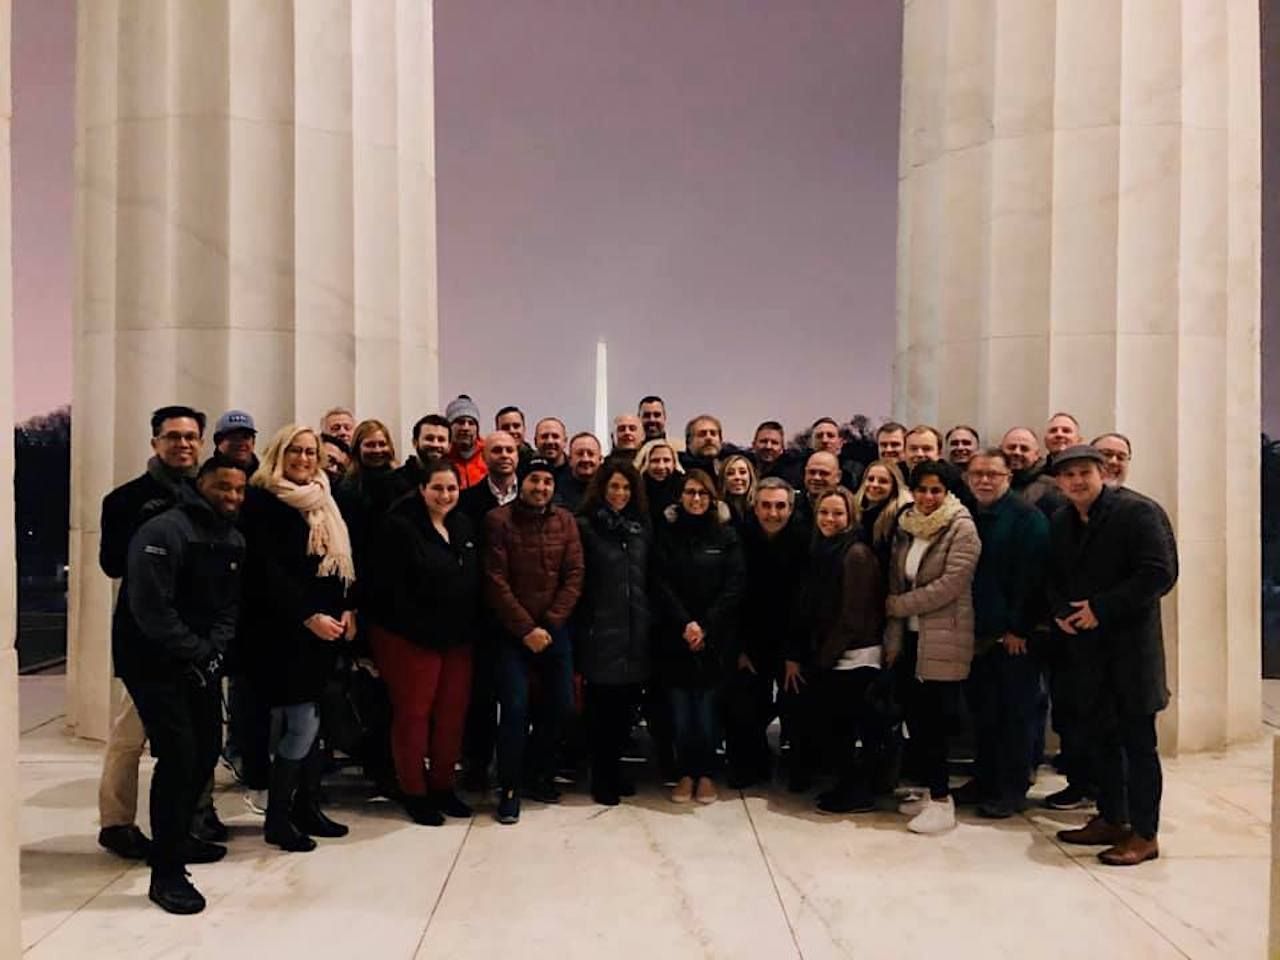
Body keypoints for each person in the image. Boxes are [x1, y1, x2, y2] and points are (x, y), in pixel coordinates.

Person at [123, 455, 246, 914]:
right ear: (202, 485)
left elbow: (229, 606)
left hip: (200, 663)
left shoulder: (233, 536)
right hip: (154, 663)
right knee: (177, 759)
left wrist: (213, 651)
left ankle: (180, 839)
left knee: (203, 755)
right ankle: (167, 873)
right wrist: (196, 650)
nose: (232, 497)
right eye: (223, 488)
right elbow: (150, 608)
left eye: (239, 490)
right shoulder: (164, 530)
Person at [1047, 445, 1178, 866]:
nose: (1076, 482)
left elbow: (1159, 573)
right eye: (1068, 476)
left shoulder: (1138, 512)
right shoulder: (1062, 519)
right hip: (1087, 654)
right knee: (1100, 740)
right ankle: (1111, 817)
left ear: (1103, 472)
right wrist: (1060, 612)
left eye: (1084, 472)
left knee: (1139, 746)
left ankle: (1144, 833)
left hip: (1130, 652)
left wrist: (1100, 609)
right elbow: (1051, 574)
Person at [97, 405, 206, 863]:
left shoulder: (210, 492)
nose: (183, 444)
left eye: (190, 436)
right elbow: (111, 564)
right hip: (145, 635)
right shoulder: (125, 499)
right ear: (155, 442)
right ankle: (116, 823)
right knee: (130, 734)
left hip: (195, 634)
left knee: (194, 740)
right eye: (173, 436)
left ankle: (186, 823)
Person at [239, 425, 356, 853]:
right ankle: (279, 817)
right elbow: (267, 573)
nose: (305, 459)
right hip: (283, 632)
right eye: (296, 451)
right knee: (300, 722)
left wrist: (347, 607)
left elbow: (338, 562)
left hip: (324, 631)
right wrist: (308, 617)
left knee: (314, 722)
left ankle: (306, 809)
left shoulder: (324, 498)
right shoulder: (263, 501)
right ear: (279, 453)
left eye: (311, 452)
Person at [365, 458, 480, 825]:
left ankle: (443, 786)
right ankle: (414, 791)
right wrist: (423, 627)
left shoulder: (463, 525)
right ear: (421, 490)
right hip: (410, 638)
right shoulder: (398, 528)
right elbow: (387, 590)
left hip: (458, 639)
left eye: (452, 489)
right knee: (414, 716)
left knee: (451, 715)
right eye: (438, 488)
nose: (445, 495)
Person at [484, 458, 585, 824]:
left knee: (561, 706)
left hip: (554, 631)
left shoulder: (566, 521)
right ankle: (509, 788)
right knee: (514, 710)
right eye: (533, 480)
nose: (540, 487)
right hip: (512, 634)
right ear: (520, 482)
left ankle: (537, 773)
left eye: (546, 481)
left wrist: (551, 624)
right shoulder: (498, 521)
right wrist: (526, 629)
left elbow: (574, 575)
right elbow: (495, 580)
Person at [885, 459, 981, 834]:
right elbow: (897, 578)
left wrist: (897, 606)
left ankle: (943, 802)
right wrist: (895, 623)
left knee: (937, 723)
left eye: (935, 490)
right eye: (922, 489)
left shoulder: (962, 527)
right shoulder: (906, 523)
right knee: (917, 721)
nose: (927, 497)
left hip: (943, 637)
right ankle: (928, 792)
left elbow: (950, 585)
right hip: (910, 637)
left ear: (947, 492)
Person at [784, 486, 885, 812]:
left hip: (853, 655)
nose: (829, 518)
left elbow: (852, 617)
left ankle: (857, 793)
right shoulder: (823, 549)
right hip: (832, 652)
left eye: (837, 513)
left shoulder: (855, 553)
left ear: (851, 516)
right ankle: (844, 787)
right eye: (824, 512)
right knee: (836, 728)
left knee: (848, 728)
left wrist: (822, 660)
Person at [961, 448, 1049, 818]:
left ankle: (1012, 788)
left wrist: (1019, 628)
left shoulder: (1027, 518)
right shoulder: (971, 515)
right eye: (978, 473)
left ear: (1008, 478)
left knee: (1016, 714)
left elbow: (1034, 578)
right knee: (985, 712)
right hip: (979, 636)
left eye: (992, 474)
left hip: (1013, 637)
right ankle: (985, 778)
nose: (984, 480)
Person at [653, 469, 745, 805]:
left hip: (714, 639)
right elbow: (660, 582)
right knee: (680, 712)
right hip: (675, 636)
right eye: (690, 492)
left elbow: (734, 586)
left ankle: (705, 773)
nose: (696, 499)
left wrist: (705, 626)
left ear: (712, 497)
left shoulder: (726, 535)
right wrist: (685, 624)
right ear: (680, 496)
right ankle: (684, 773)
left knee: (707, 713)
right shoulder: (667, 533)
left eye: (702, 494)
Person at [573, 460, 652, 805]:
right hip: (600, 631)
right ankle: (601, 776)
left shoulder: (641, 527)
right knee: (601, 711)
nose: (620, 494)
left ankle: (616, 770)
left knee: (624, 712)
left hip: (637, 631)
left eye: (626, 487)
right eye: (614, 487)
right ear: (602, 489)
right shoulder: (585, 526)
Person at [724, 477, 807, 788]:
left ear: (791, 507)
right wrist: (740, 648)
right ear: (754, 507)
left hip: (793, 642)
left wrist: (794, 654)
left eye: (780, 506)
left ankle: (798, 768)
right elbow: (733, 595)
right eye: (766, 506)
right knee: (746, 709)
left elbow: (806, 602)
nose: (773, 513)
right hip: (750, 640)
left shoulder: (805, 540)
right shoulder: (740, 538)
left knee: (795, 709)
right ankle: (750, 764)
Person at [456, 431, 521, 789]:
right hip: (481, 611)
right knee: (480, 696)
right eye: (497, 450)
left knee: (516, 698)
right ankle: (477, 764)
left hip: (524, 611)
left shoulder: (534, 494)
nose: (504, 455)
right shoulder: (468, 501)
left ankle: (517, 767)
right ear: (486, 454)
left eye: (510, 449)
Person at [853, 458, 909, 572]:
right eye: (870, 479)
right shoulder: (855, 510)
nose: (874, 484)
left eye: (883, 481)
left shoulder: (900, 518)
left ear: (894, 486)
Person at [1001, 426, 1065, 519]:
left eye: (1024, 449)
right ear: (1000, 449)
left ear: (1036, 455)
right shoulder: (987, 481)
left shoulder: (1052, 488)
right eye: (1011, 447)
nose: (1017, 452)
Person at [635, 438, 684, 525]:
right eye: (655, 461)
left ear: (674, 463)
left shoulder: (684, 488)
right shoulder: (636, 491)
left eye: (666, 460)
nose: (661, 466)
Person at [398, 413, 452, 488]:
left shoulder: (456, 480)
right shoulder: (391, 482)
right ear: (415, 442)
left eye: (441, 440)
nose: (435, 444)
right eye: (429, 438)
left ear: (449, 446)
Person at [446, 395, 487, 489]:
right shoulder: (442, 457)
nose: (466, 428)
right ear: (449, 427)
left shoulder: (489, 455)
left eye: (471, 423)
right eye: (460, 422)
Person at [554, 432, 602, 512]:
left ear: (600, 459)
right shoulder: (556, 488)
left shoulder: (609, 488)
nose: (585, 459)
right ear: (570, 460)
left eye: (590, 454)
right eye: (580, 454)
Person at [718, 453, 758, 525]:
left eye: (742, 472)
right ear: (723, 479)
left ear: (750, 477)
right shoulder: (716, 511)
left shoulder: (760, 507)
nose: (737, 477)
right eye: (730, 473)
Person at [533, 416, 570, 486]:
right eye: (544, 436)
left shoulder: (574, 471)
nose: (550, 441)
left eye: (555, 436)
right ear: (535, 442)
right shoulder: (525, 469)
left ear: (565, 441)